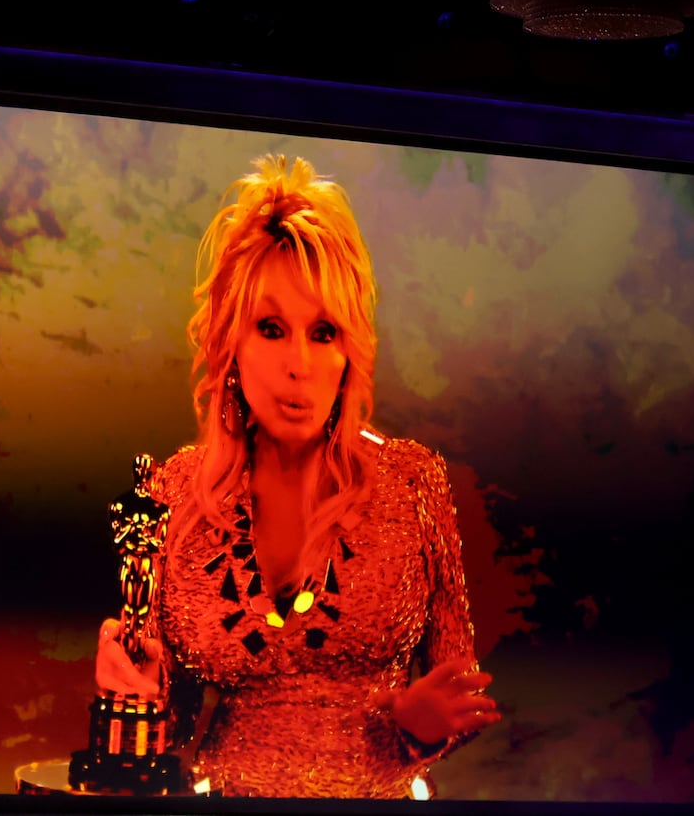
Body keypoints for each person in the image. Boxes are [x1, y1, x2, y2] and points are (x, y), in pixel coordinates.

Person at [94, 153, 499, 799]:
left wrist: (415, 728)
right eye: (273, 329)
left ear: (350, 351)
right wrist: (132, 694)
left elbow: (460, 690)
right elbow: (161, 730)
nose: (299, 366)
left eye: (323, 332)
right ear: (231, 342)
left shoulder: (413, 482)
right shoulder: (174, 492)